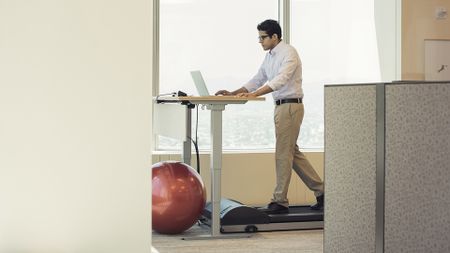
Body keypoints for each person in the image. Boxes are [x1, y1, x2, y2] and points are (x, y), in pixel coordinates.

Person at [215, 19, 324, 214]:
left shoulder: (289, 53)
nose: (260, 41)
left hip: (290, 107)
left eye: (263, 37)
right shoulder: (270, 56)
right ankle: (323, 192)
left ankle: (279, 201)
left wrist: (254, 94)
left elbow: (280, 80)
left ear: (275, 36)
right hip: (281, 108)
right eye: (259, 37)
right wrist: (233, 92)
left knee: (283, 154)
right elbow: (258, 78)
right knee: (291, 153)